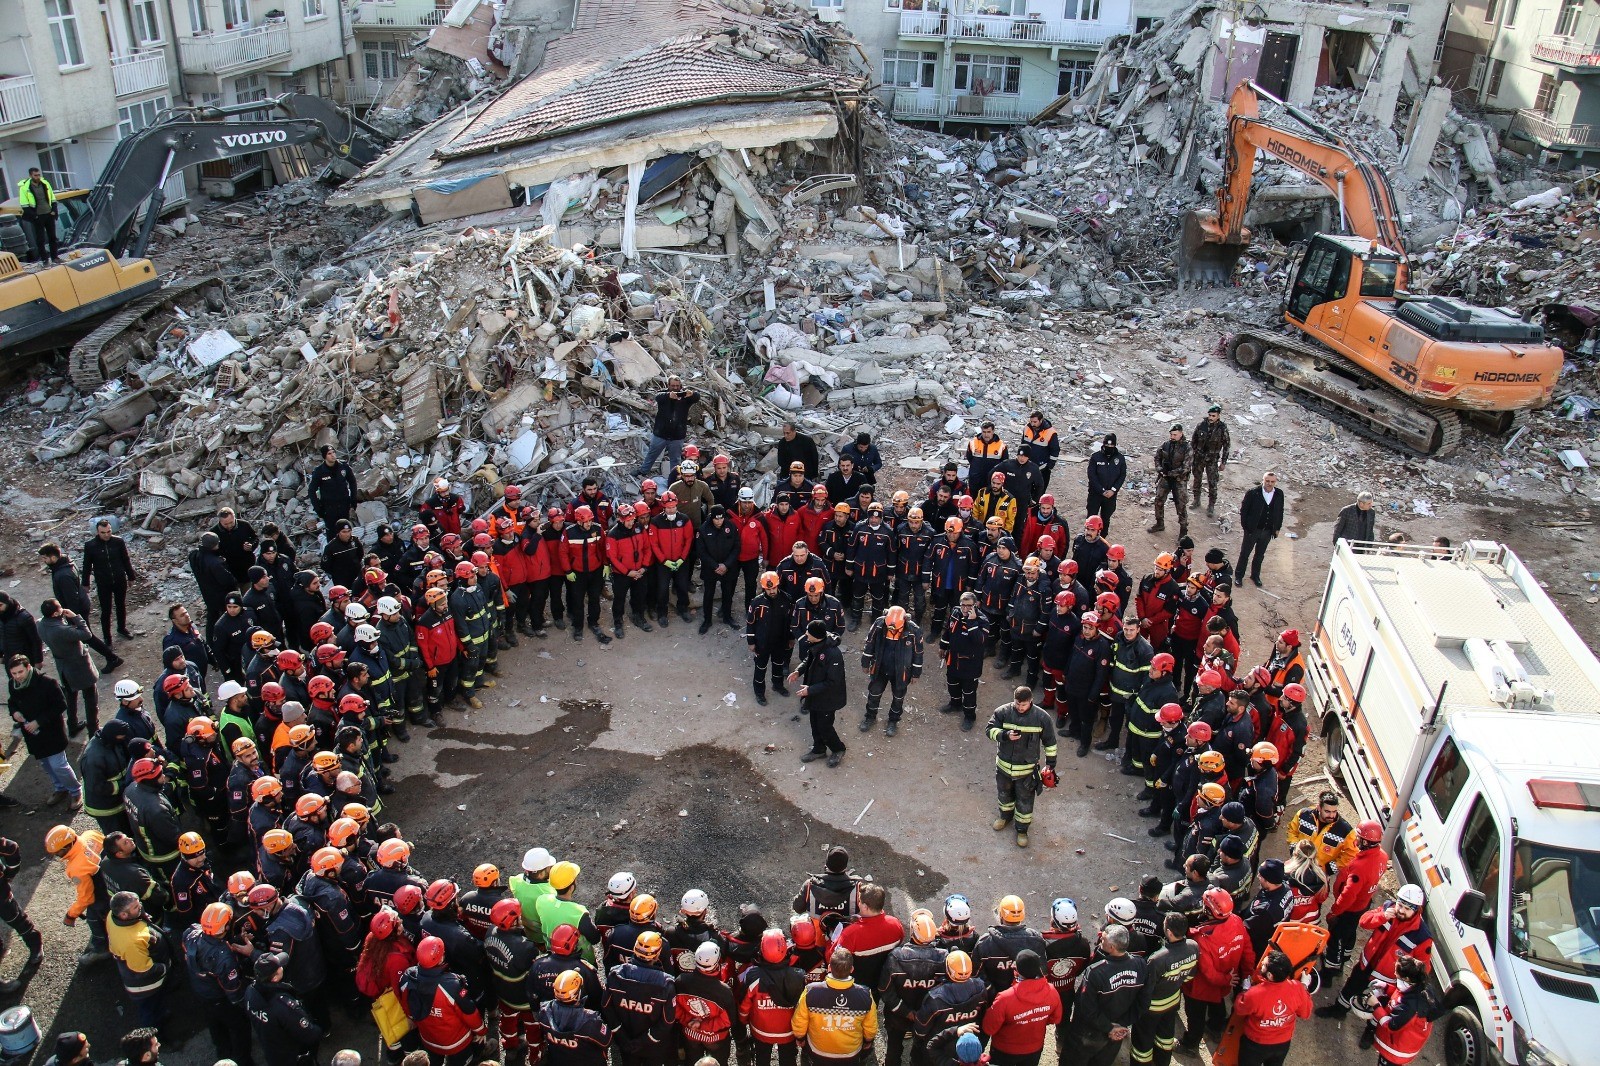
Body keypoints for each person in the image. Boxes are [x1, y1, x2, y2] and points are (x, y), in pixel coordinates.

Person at [7, 653, 82, 807]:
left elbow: (61, 705)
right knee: (46, 765)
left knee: (58, 765)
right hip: (32, 735)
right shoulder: (13, 684)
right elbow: (12, 702)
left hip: (51, 733)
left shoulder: (47, 683)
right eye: (14, 673)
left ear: (28, 667)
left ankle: (75, 791)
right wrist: (15, 712)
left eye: (20, 672)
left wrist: (38, 722)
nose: (17, 676)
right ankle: (60, 788)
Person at [186, 902, 255, 1066]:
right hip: (219, 997)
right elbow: (233, 988)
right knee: (240, 1027)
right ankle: (243, 1061)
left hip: (201, 990)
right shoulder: (224, 958)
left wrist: (235, 940)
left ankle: (222, 1050)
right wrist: (241, 1004)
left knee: (214, 1023)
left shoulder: (190, 934)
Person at [987, 687, 1057, 848]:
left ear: (1031, 701)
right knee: (1004, 795)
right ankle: (1005, 817)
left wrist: (1051, 764)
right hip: (1004, 768)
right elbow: (989, 730)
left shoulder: (1042, 718)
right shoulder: (1002, 712)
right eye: (1018, 703)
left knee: (1025, 802)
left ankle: (1022, 830)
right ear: (1014, 700)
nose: (1020, 707)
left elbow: (1050, 743)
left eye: (1024, 704)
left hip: (1026, 772)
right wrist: (1004, 735)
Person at [1070, 925, 1146, 1066]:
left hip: (1089, 1033)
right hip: (1116, 1033)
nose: (1100, 942)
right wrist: (1121, 1025)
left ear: (1111, 947)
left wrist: (1110, 1027)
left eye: (1103, 940)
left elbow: (1086, 1007)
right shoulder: (1140, 964)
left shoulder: (1096, 972)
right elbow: (1143, 1001)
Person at [1130, 913, 1196, 1066]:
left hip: (1151, 1007)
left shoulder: (1157, 959)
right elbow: (1189, 976)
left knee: (1142, 1040)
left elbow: (1147, 988)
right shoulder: (1193, 946)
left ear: (1170, 933)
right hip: (1173, 1001)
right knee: (1165, 1037)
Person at [793, 948, 877, 1064]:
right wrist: (868, 1041)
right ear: (852, 969)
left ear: (829, 968)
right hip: (850, 1053)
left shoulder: (811, 991)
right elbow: (871, 1027)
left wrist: (800, 1038)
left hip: (818, 1052)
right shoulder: (865, 994)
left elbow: (799, 1021)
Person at [1231, 949, 1312, 1066]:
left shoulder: (1255, 994)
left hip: (1255, 1045)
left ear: (1270, 975)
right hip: (1282, 1044)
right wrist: (1304, 986)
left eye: (1263, 965)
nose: (1261, 966)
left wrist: (1245, 989)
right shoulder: (1297, 988)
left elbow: (1239, 1008)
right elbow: (1305, 1013)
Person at [38, 599, 106, 736]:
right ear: (55, 613)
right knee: (90, 698)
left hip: (63, 667)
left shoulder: (41, 625)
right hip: (79, 667)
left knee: (71, 697)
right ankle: (93, 728)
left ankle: (72, 725)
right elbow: (87, 634)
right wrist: (76, 617)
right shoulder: (63, 630)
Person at [981, 949, 1060, 1066]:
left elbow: (989, 1028)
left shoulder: (1005, 998)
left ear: (1017, 971)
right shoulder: (1052, 991)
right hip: (1034, 1049)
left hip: (1004, 1051)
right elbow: (1055, 1019)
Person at [739, 929, 805, 1066]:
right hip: (788, 1032)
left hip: (761, 1030)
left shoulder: (753, 977)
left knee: (762, 1060)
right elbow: (802, 1007)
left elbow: (744, 1005)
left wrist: (744, 1020)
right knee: (788, 1061)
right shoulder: (798, 976)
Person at [248, 952, 325, 1066]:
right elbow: (309, 1034)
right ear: (274, 978)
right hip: (292, 1055)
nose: (282, 967)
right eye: (280, 967)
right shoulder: (283, 1005)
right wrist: (317, 1030)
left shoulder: (250, 992)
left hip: (271, 1050)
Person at [108, 890, 172, 1026]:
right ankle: (154, 1035)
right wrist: (165, 967)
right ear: (124, 915)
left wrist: (140, 915)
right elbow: (144, 969)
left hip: (136, 973)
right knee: (150, 1011)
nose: (141, 908)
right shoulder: (132, 942)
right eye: (136, 908)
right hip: (146, 987)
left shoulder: (112, 916)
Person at [858, 605, 923, 737]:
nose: (892, 631)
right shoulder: (879, 624)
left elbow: (918, 653)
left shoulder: (913, 630)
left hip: (901, 671)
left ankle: (893, 721)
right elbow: (869, 643)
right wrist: (865, 662)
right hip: (880, 667)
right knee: (874, 693)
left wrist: (916, 674)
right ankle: (870, 717)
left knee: (898, 697)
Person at [790, 620, 847, 768]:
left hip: (828, 698)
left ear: (816, 636)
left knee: (825, 726)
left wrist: (810, 690)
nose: (806, 635)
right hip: (815, 695)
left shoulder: (833, 654)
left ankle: (838, 749)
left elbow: (832, 681)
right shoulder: (817, 645)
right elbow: (808, 660)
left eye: (808, 633)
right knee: (814, 723)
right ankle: (819, 749)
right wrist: (798, 671)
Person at [82, 518, 141, 647]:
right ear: (97, 532)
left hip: (119, 580)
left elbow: (125, 560)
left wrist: (131, 576)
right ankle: (107, 637)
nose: (107, 534)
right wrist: (85, 583)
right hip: (103, 583)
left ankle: (122, 628)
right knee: (106, 610)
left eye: (109, 531)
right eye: (103, 532)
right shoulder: (91, 546)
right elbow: (86, 566)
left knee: (121, 605)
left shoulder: (118, 542)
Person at [637, 376, 699, 479]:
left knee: (675, 460)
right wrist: (668, 395)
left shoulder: (685, 398)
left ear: (681, 386)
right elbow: (658, 396)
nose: (675, 388)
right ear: (668, 386)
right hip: (661, 433)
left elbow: (697, 397)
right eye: (673, 386)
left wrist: (692, 394)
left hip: (677, 436)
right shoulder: (664, 396)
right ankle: (643, 471)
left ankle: (675, 478)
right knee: (652, 454)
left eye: (677, 386)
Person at [1237, 472, 1284, 588]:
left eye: (1272, 482)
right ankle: (1239, 576)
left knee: (1259, 555)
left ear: (1275, 482)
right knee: (1245, 553)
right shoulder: (1253, 493)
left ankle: (1255, 576)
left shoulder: (1279, 494)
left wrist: (1277, 528)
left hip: (1267, 531)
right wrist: (1246, 527)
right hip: (1253, 530)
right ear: (1263, 480)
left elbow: (1280, 512)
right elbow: (1244, 511)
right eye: (1267, 481)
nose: (1269, 484)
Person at [1149, 424, 1191, 537]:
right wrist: (1159, 469)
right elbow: (1157, 457)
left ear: (1181, 433)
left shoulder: (1187, 447)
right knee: (1158, 500)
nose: (1172, 437)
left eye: (1175, 434)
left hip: (1179, 480)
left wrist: (1171, 473)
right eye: (1171, 434)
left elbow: (1186, 467)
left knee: (1181, 504)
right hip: (1165, 478)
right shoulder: (1166, 445)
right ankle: (1159, 523)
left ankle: (1183, 529)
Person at [1189, 406, 1231, 517]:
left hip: (1212, 460)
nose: (1211, 418)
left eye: (1213, 416)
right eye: (1210, 415)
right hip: (1199, 458)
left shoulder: (1222, 429)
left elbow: (1226, 446)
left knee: (1212, 483)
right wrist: (1191, 457)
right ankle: (1196, 500)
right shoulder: (1201, 425)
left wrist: (1223, 462)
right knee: (1197, 480)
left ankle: (1211, 506)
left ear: (1218, 416)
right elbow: (1193, 442)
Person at [309, 446, 359, 533]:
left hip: (344, 506)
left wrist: (353, 500)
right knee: (333, 534)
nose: (333, 455)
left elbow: (353, 482)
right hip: (329, 509)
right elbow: (311, 490)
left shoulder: (343, 467)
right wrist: (318, 508)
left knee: (346, 532)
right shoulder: (319, 472)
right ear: (324, 456)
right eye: (329, 453)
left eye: (333, 452)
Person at [18, 166, 59, 263]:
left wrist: (53, 210)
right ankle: (45, 259)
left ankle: (55, 257)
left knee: (52, 237)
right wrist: (35, 216)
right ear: (30, 176)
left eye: (39, 175)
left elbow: (52, 198)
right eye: (35, 175)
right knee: (40, 240)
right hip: (38, 216)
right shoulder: (24, 188)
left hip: (49, 214)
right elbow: (24, 205)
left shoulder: (45, 183)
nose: (38, 177)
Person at [966, 422, 1008, 491]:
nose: (986, 435)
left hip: (992, 482)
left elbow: (1004, 463)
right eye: (984, 432)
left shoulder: (1001, 445)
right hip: (975, 480)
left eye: (988, 432)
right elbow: (969, 457)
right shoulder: (973, 443)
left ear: (993, 431)